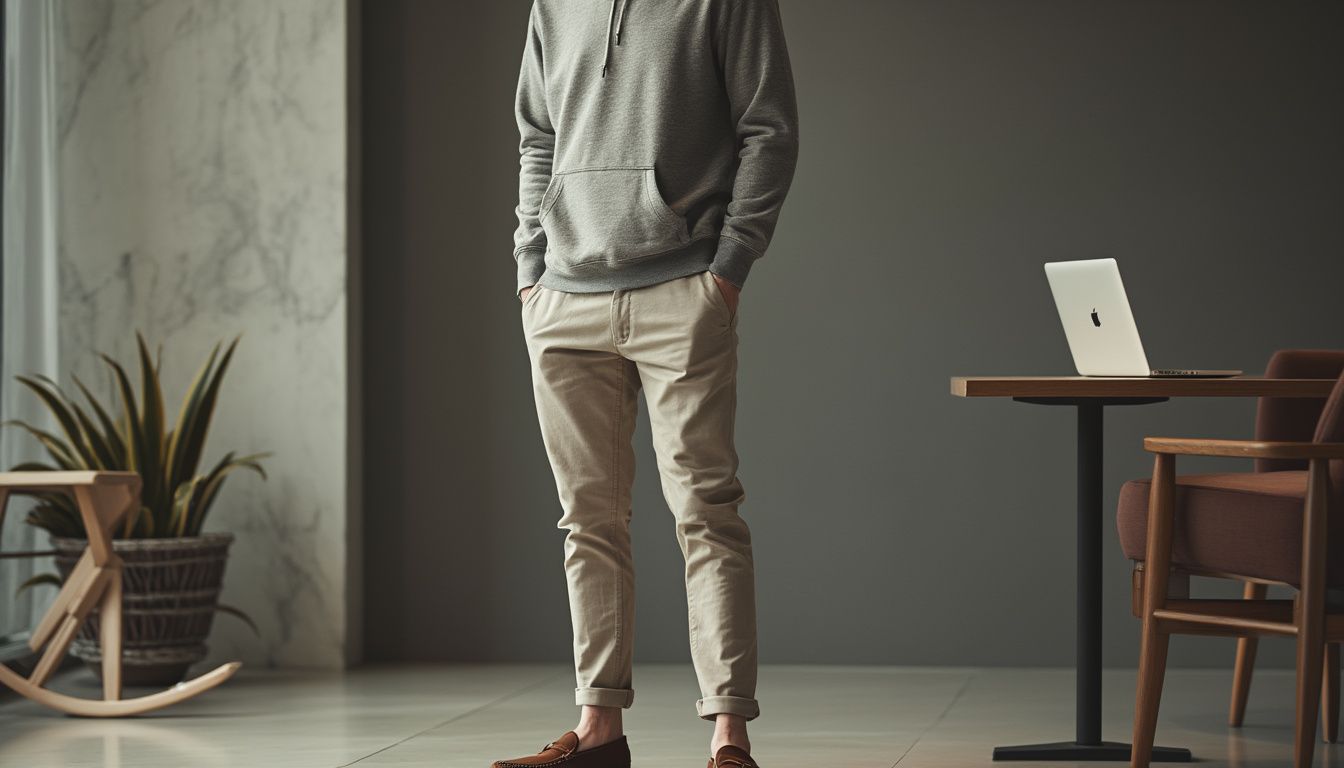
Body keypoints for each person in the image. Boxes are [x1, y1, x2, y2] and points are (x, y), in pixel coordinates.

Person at [498, 0, 797, 766]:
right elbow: (537, 134)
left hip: (682, 289)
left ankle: (729, 736)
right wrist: (531, 266)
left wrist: (729, 268)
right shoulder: (554, 6)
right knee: (587, 521)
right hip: (564, 296)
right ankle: (599, 731)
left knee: (705, 509)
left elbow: (769, 129)